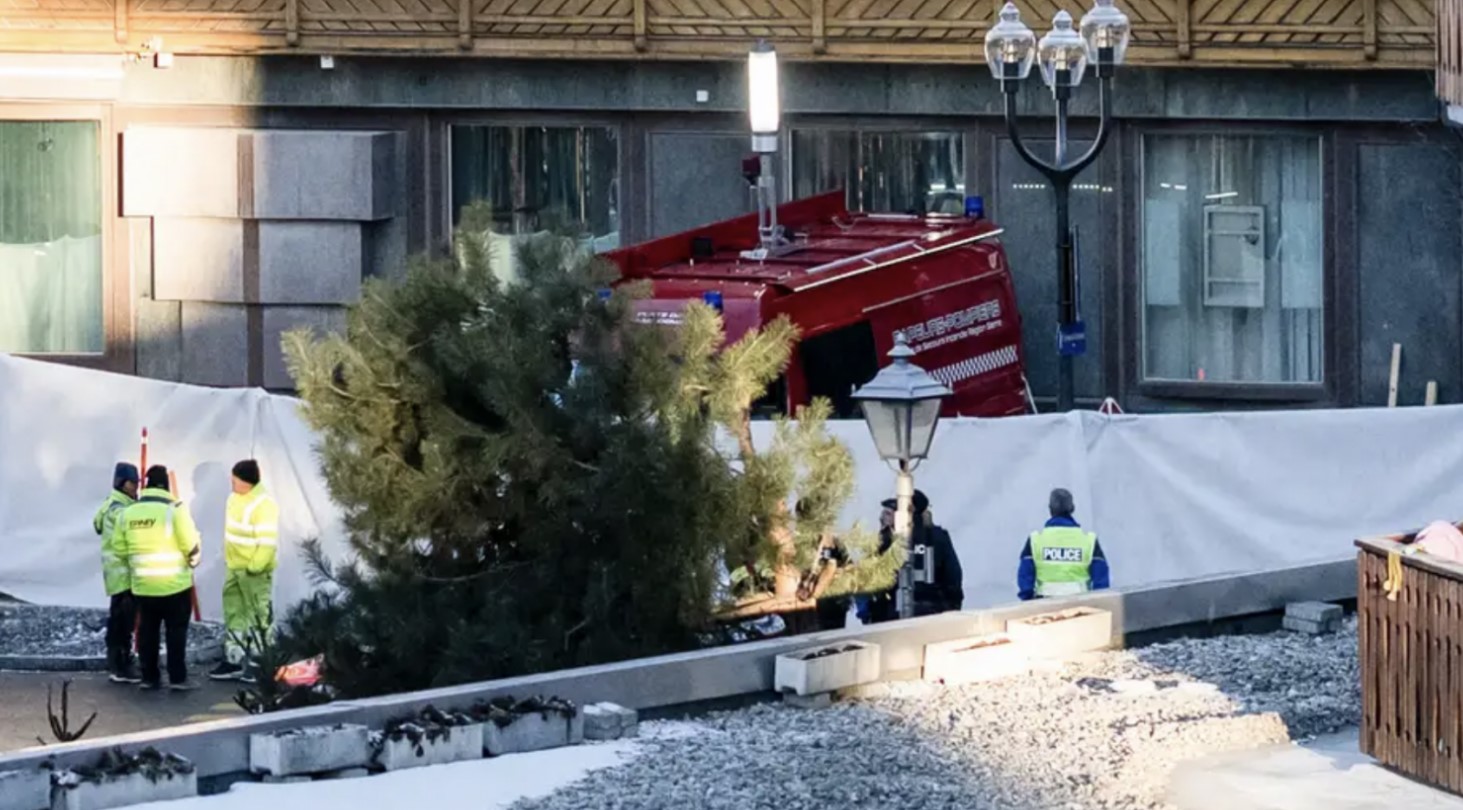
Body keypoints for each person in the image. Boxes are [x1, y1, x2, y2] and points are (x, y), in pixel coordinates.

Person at [118, 465, 202, 690]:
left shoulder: (129, 512)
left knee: (147, 632)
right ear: (166, 485)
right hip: (174, 585)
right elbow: (190, 543)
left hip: (143, 587)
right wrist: (193, 562)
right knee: (176, 633)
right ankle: (177, 678)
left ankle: (149, 677)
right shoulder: (175, 510)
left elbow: (119, 547)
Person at [211, 459, 279, 683]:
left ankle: (259, 663)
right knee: (234, 615)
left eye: (235, 480)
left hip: (253, 572)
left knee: (258, 617)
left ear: (246, 481)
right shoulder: (234, 499)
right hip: (235, 567)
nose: (232, 484)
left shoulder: (263, 504)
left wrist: (254, 567)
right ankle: (234, 659)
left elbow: (267, 542)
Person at [857, 490, 964, 622]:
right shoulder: (938, 537)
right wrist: (952, 608)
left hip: (892, 617)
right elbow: (953, 576)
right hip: (935, 614)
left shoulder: (886, 539)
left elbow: (868, 580)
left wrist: (872, 615)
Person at [93, 462, 140, 684]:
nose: (136, 487)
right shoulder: (119, 509)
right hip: (123, 575)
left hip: (118, 574)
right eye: (133, 483)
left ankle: (119, 661)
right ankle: (120, 665)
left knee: (121, 620)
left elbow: (97, 524)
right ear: (121, 483)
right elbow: (127, 536)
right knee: (123, 621)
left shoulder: (113, 504)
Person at [1018, 488, 1110, 600]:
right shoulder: (1088, 541)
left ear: (1050, 509)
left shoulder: (1036, 540)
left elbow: (1025, 578)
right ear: (1072, 508)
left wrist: (1029, 602)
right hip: (1080, 607)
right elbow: (1101, 582)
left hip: (1044, 607)